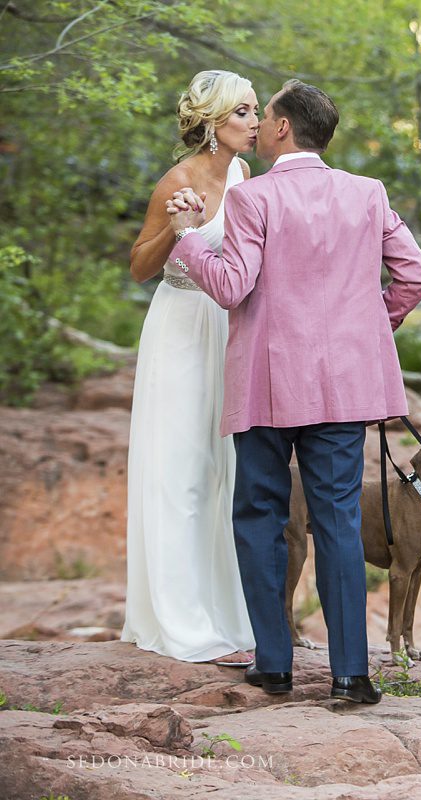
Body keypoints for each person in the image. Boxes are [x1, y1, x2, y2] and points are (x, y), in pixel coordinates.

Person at [165, 79, 421, 703]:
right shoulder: (369, 194)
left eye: (266, 119)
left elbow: (232, 287)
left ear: (283, 128)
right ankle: (351, 674)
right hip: (344, 387)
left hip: (266, 385)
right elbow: (416, 275)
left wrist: (187, 240)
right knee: (339, 519)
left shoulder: (253, 198)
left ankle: (275, 664)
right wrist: (371, 325)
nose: (256, 127)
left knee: (260, 515)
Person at [122, 70, 259, 668]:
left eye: (256, 113)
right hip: (181, 330)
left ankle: (224, 615)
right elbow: (137, 266)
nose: (256, 124)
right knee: (179, 468)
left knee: (221, 467)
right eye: (244, 114)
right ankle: (177, 621)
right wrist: (178, 231)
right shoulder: (176, 180)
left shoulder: (242, 174)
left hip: (227, 325)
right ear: (213, 123)